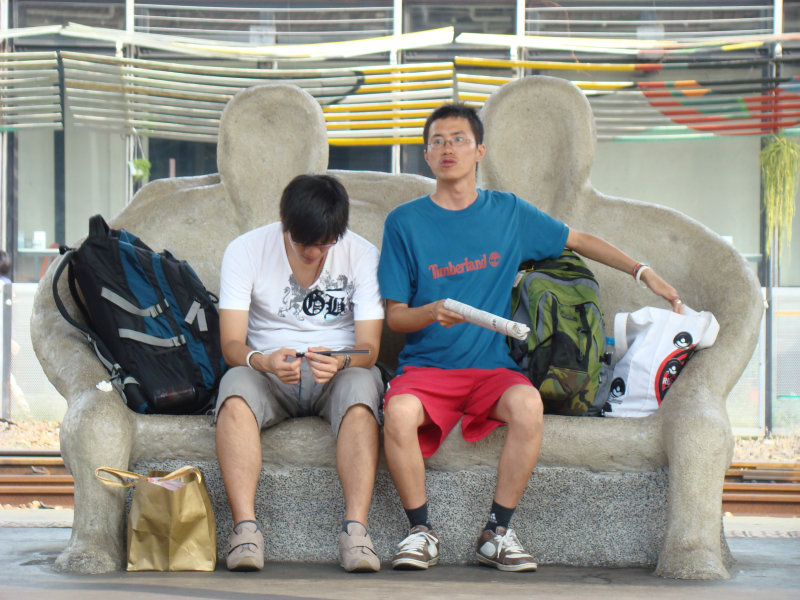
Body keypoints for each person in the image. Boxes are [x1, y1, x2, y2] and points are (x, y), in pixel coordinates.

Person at [377, 103, 682, 572]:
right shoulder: (404, 222)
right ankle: (421, 532)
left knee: (527, 406)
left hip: (492, 368)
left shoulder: (509, 213)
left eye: (458, 139)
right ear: (426, 155)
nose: (447, 148)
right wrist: (430, 312)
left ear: (479, 150)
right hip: (427, 370)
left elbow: (577, 239)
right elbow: (395, 317)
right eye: (437, 141)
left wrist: (645, 272)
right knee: (397, 413)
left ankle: (497, 532)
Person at [215, 174, 385, 573]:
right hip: (269, 370)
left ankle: (356, 532)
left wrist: (342, 361)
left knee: (363, 391)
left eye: (324, 244)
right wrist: (262, 360)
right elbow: (231, 345)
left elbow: (370, 348)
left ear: (338, 233)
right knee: (234, 390)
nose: (313, 252)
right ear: (284, 225)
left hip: (338, 371)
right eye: (302, 242)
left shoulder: (362, 254)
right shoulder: (246, 250)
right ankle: (245, 530)